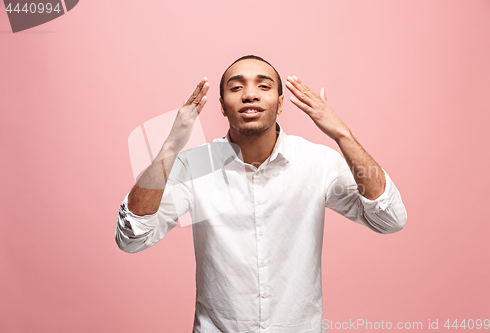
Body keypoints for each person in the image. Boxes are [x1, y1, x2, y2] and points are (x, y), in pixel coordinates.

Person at [115, 55, 407, 333]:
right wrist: (169, 149)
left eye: (264, 86)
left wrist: (341, 134)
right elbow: (132, 237)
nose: (250, 94)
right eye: (237, 87)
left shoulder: (317, 162)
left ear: (280, 104)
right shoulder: (196, 166)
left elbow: (389, 218)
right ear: (222, 105)